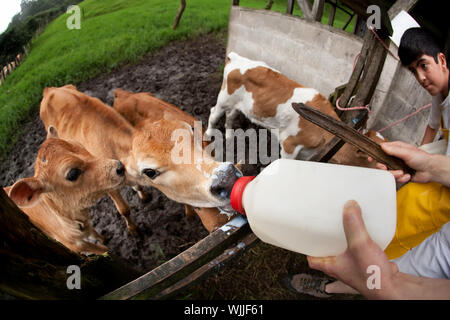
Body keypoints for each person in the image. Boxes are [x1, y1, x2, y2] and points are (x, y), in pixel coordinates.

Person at [284, 141, 450, 299]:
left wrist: (390, 287)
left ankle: (328, 287)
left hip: (444, 261)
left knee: (375, 275)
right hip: (432, 217)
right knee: (373, 254)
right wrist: (434, 167)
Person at [398, 27, 449, 154]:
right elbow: (432, 126)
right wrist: (418, 154)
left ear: (442, 60)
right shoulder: (440, 90)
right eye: (414, 71)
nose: (421, 78)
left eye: (424, 66)